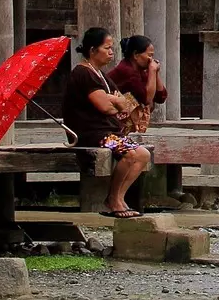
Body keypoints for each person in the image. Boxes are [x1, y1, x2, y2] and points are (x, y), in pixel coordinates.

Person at [63, 27, 153, 218]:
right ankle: (113, 200)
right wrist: (115, 101)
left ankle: (118, 197)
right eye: (106, 48)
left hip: (109, 132)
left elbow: (127, 104)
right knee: (130, 154)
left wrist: (114, 100)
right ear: (92, 50)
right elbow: (106, 107)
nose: (111, 52)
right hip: (92, 134)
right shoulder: (83, 73)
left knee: (143, 154)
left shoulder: (101, 75)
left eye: (112, 48)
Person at [107, 35, 167, 131]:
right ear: (136, 55)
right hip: (111, 119)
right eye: (149, 55)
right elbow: (146, 98)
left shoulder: (139, 71)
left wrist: (155, 73)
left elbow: (161, 96)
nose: (151, 60)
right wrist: (152, 70)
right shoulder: (127, 71)